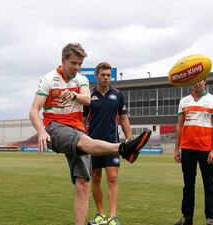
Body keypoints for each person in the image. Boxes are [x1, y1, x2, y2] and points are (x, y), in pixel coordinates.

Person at [29, 43, 151, 225]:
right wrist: (40, 131)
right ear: (63, 60)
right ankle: (123, 149)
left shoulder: (81, 80)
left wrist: (73, 95)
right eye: (73, 63)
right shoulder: (48, 79)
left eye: (80, 63)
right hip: (54, 127)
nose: (77, 67)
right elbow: (34, 110)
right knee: (85, 142)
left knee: (83, 183)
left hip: (77, 128)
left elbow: (87, 99)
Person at [83, 62, 131, 225]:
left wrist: (129, 138)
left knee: (112, 177)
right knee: (95, 177)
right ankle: (100, 215)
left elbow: (123, 118)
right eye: (103, 75)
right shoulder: (88, 96)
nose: (106, 78)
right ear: (96, 76)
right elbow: (82, 121)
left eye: (109, 75)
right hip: (93, 144)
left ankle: (112, 217)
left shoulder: (117, 95)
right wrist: (81, 141)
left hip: (112, 144)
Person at [174, 79, 213, 225]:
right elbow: (180, 125)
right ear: (191, 82)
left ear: (205, 81)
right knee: (188, 185)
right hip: (187, 149)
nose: (197, 83)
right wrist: (177, 148)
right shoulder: (184, 101)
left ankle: (211, 219)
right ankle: (187, 219)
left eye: (200, 80)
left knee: (209, 184)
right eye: (195, 80)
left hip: (206, 150)